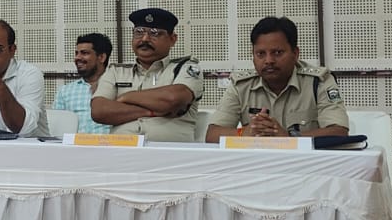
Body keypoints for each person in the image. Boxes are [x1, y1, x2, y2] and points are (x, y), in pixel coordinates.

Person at [206, 17, 349, 140]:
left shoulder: (319, 82)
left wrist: (288, 137)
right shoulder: (241, 85)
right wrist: (245, 132)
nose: (269, 60)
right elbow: (212, 135)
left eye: (277, 52)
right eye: (260, 54)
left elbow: (339, 132)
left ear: (295, 53)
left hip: (304, 162)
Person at [87, 8, 203, 142]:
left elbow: (173, 99)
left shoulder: (185, 68)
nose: (145, 38)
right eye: (139, 32)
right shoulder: (116, 72)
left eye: (154, 33)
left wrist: (126, 97)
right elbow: (99, 111)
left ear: (172, 39)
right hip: (122, 148)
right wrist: (152, 111)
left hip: (169, 150)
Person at [51, 32, 112, 134]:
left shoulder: (118, 87)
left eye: (84, 53)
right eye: (76, 53)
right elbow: (56, 129)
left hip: (109, 143)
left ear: (101, 57)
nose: (77, 58)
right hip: (74, 144)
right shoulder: (65, 91)